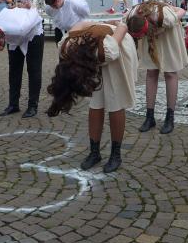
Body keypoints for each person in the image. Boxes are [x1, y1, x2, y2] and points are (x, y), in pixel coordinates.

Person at [47, 20, 137, 173]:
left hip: (118, 47)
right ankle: (94, 153)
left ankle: (116, 155)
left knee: (115, 102)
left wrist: (114, 24)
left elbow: (123, 28)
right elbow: (81, 24)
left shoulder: (106, 51)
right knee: (96, 102)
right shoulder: (64, 47)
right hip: (91, 53)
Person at [124, 0, 188, 134]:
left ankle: (170, 118)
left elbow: (182, 11)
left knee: (170, 73)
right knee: (151, 72)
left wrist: (174, 8)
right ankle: (149, 117)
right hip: (150, 41)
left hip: (169, 39)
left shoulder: (165, 17)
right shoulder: (132, 15)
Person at [0, 1, 45, 118]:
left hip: (32, 34)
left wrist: (31, 6)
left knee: (34, 70)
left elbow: (34, 13)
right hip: (12, 35)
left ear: (1, 40)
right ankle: (13, 105)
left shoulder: (20, 28)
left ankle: (32, 106)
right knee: (14, 71)